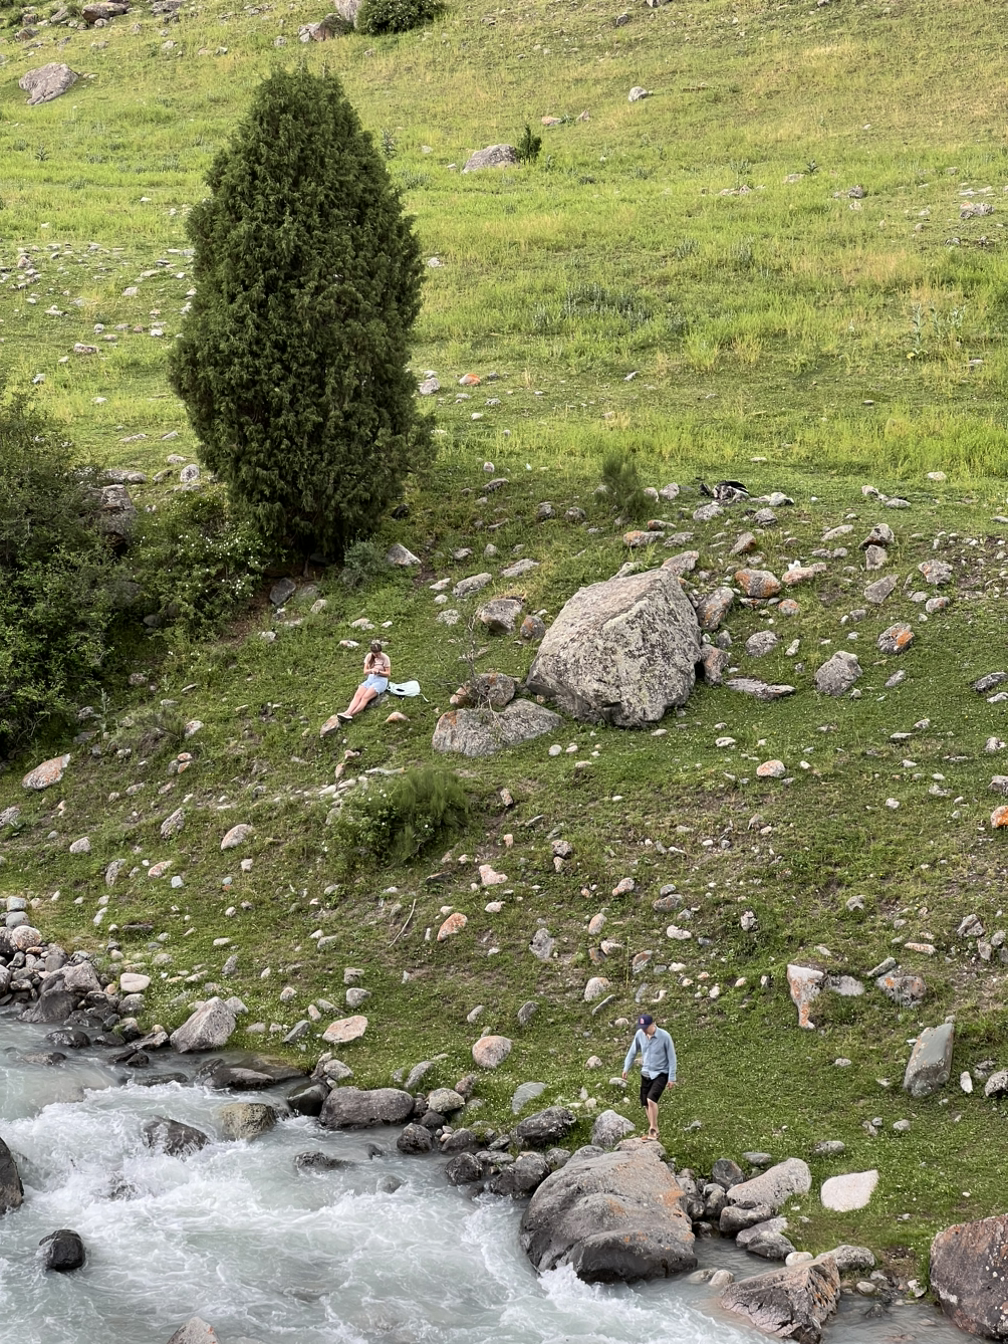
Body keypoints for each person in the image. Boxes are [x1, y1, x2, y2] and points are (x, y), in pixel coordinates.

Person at [621, 1013, 676, 1139]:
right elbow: (632, 1052)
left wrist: (671, 1077)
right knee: (646, 1102)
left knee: (651, 1100)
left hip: (661, 1073)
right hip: (646, 1073)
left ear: (652, 1024)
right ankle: (653, 1129)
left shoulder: (665, 1036)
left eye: (646, 1027)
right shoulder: (639, 1035)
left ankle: (653, 1128)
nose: (644, 1030)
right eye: (642, 1028)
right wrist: (626, 1068)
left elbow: (672, 1058)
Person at [337, 641, 391, 721]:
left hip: (380, 680)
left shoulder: (385, 658)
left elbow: (388, 673)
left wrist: (379, 672)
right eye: (375, 654)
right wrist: (371, 670)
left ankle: (351, 714)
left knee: (365, 697)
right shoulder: (369, 656)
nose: (377, 656)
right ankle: (347, 712)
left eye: (379, 654)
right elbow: (365, 671)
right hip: (371, 678)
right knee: (358, 695)